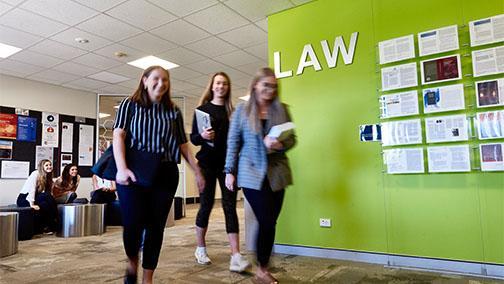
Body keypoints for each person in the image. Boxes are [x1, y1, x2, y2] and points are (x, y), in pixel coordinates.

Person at [113, 65, 205, 284]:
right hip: (133, 172)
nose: (161, 83)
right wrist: (121, 168)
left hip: (164, 173)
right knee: (133, 224)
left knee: (156, 228)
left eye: (165, 80)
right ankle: (132, 261)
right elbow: (118, 135)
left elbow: (183, 145)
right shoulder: (130, 105)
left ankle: (148, 279)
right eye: (156, 78)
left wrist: (197, 171)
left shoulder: (173, 111)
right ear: (144, 80)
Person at [224, 67, 296, 284]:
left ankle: (262, 268)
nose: (270, 90)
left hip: (277, 174)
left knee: (270, 222)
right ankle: (262, 270)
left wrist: (281, 143)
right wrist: (229, 171)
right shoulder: (242, 111)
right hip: (251, 172)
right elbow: (233, 142)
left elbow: (294, 139)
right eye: (266, 85)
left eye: (274, 86)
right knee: (265, 219)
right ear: (255, 85)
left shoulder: (282, 109)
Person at [190, 72, 250, 272]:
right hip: (206, 164)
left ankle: (235, 254)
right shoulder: (202, 110)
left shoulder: (233, 112)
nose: (221, 86)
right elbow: (193, 139)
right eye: (218, 83)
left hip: (227, 166)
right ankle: (200, 248)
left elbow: (238, 141)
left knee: (229, 207)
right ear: (212, 86)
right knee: (205, 206)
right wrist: (202, 135)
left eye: (224, 83)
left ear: (228, 87)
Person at [17, 159, 58, 233]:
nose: (49, 166)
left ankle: (45, 227)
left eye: (50, 165)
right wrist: (32, 204)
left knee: (44, 204)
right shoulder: (35, 174)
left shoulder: (48, 176)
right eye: (46, 165)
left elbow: (47, 192)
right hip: (25, 198)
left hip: (36, 197)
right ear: (42, 167)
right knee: (46, 196)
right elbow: (32, 190)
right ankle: (55, 222)